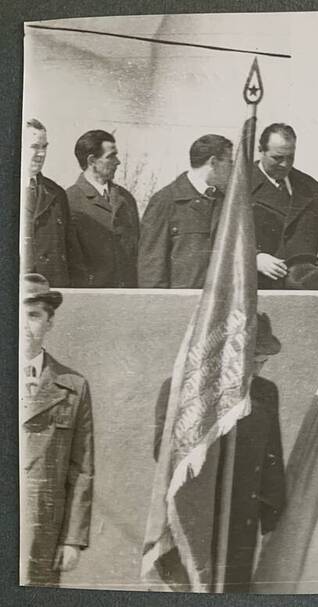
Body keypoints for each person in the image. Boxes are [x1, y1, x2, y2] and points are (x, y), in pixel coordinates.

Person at [153, 313, 286, 592]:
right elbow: (161, 452)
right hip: (195, 515)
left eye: (264, 360)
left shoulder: (265, 392)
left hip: (241, 521)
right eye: (253, 359)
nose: (259, 368)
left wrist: (273, 518)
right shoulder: (181, 388)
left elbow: (272, 457)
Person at [20, 274, 94, 587]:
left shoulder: (73, 387)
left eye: (34, 316)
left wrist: (73, 539)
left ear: (49, 322)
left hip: (42, 530)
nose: (24, 324)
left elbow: (82, 469)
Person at [137, 135, 233, 288]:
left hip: (217, 302)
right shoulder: (165, 200)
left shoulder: (225, 201)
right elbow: (151, 266)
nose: (232, 169)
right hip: (179, 305)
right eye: (229, 162)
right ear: (214, 162)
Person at [251, 123, 318, 290]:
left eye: (290, 157)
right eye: (277, 158)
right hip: (260, 287)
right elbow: (224, 238)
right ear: (260, 150)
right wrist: (254, 258)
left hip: (306, 285)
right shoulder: (240, 186)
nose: (285, 164)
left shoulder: (309, 186)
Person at [65, 129, 140, 288]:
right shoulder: (68, 201)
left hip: (127, 297)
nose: (118, 162)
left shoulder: (126, 199)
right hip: (92, 300)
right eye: (111, 156)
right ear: (92, 161)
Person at [21, 119, 71, 286]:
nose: (41, 154)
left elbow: (70, 250)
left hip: (52, 289)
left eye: (44, 147)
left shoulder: (56, 193)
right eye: (35, 147)